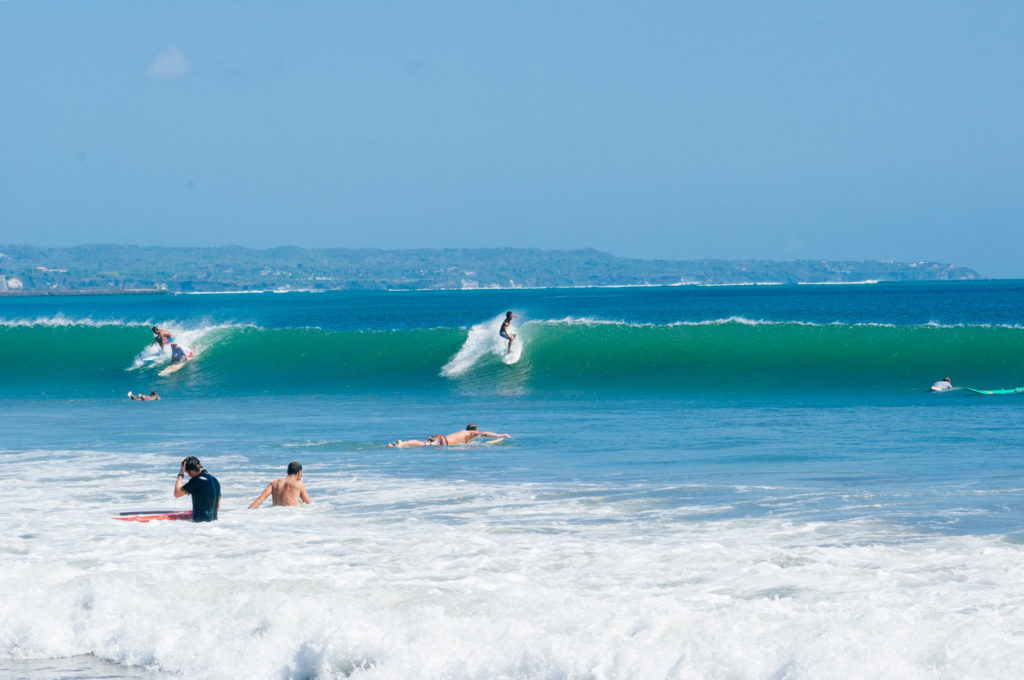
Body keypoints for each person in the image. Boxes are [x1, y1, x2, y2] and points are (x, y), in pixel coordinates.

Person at [173, 456, 221, 522]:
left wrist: (181, 473)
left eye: (188, 473)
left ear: (192, 471)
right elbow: (218, 507)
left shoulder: (197, 480)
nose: (189, 476)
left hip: (199, 524)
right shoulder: (215, 481)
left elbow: (177, 493)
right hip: (213, 525)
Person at [248, 461, 312, 509]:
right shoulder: (299, 484)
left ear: (287, 471)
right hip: (291, 514)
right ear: (299, 472)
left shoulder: (274, 483)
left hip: (276, 514)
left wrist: (248, 512)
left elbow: (261, 498)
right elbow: (308, 503)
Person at [388, 423, 511, 448]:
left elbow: (482, 437)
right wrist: (501, 434)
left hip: (440, 438)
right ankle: (402, 443)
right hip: (442, 441)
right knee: (421, 443)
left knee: (422, 442)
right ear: (474, 430)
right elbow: (484, 434)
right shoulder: (469, 433)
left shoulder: (464, 434)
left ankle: (396, 444)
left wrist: (497, 438)